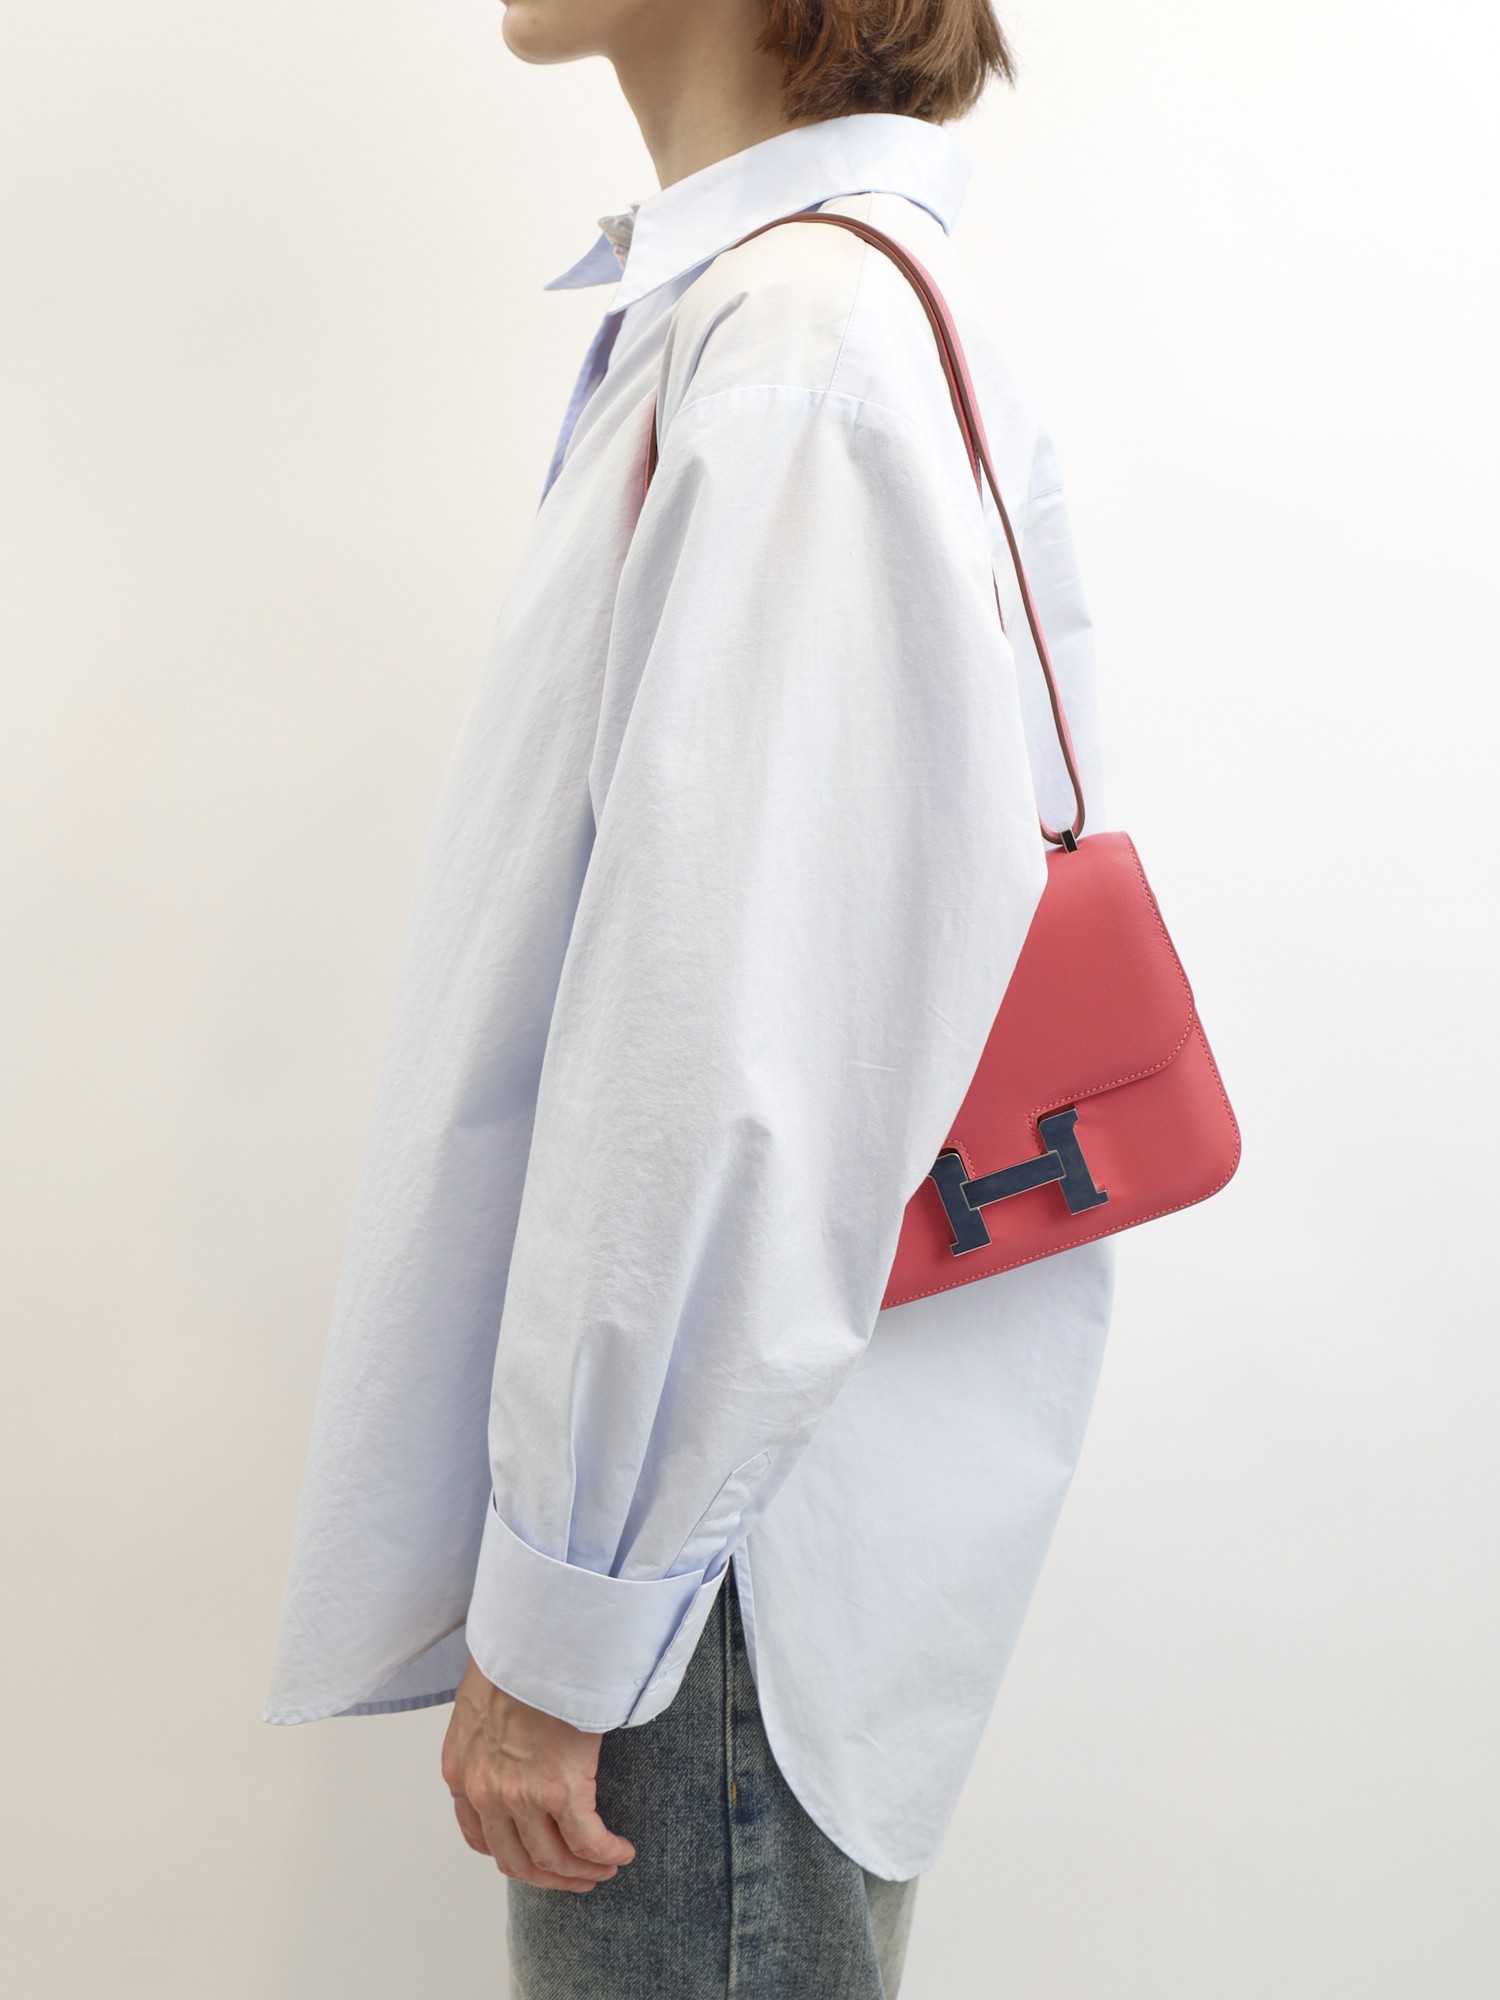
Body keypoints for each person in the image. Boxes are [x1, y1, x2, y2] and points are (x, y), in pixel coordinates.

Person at [264, 3, 1116, 1993]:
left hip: (705, 1575)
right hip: (718, 1535)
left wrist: (577, 1609)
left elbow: (729, 1057)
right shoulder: (777, 319)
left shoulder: (802, 347)